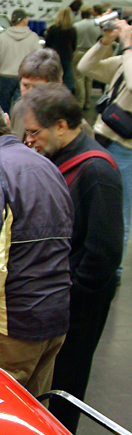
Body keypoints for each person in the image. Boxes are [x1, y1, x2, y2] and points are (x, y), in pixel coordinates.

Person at [15, 84, 124, 430]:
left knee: (64, 388)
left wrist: (69, 297)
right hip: (54, 299)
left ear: (61, 126)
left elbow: (104, 255)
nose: (30, 140)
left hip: (76, 308)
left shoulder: (97, 173)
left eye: (35, 132)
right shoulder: (59, 157)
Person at [0, 94, 73, 398]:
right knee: (33, 415)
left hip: (7, 325)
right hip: (54, 316)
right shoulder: (47, 166)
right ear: (5, 121)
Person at [77, 16, 132, 279]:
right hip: (101, 139)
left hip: (125, 148)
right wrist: (105, 43)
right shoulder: (124, 62)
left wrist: (128, 46)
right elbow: (86, 66)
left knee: (119, 211)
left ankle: (114, 271)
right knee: (92, 204)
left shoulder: (129, 59)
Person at [10, 48, 94, 138]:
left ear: (57, 86)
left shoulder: (76, 125)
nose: (30, 93)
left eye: (38, 88)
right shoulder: (18, 110)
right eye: (26, 86)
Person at [0, 9, 42, 113]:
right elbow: (39, 59)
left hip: (6, 77)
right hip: (25, 77)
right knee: (21, 110)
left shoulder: (2, 37)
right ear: (24, 20)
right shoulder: (33, 37)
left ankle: (4, 123)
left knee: (3, 110)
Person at [73, 5, 101, 109]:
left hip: (79, 51)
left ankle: (80, 102)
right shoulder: (97, 26)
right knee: (89, 79)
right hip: (92, 51)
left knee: (79, 78)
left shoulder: (76, 25)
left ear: (81, 13)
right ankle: (88, 102)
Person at [45, 7, 77, 93]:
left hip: (54, 57)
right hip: (67, 57)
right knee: (68, 82)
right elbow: (74, 46)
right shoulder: (72, 30)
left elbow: (47, 45)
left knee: (53, 80)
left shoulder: (53, 29)